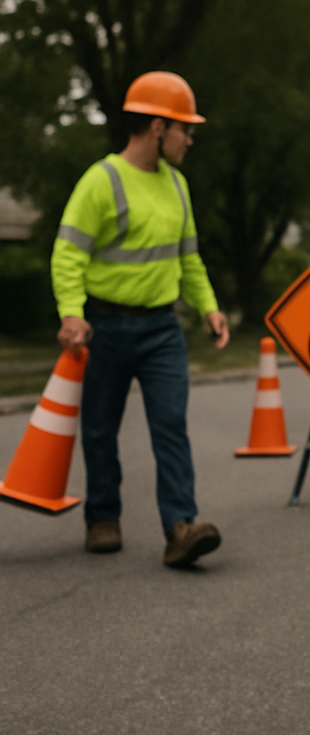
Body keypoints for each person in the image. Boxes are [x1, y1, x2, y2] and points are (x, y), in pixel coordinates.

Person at [51, 71, 229, 568]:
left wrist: (209, 307)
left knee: (170, 423)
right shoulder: (100, 181)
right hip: (105, 328)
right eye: (184, 130)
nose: (189, 140)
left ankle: (181, 528)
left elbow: (188, 259)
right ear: (157, 127)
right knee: (101, 428)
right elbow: (68, 255)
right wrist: (72, 313)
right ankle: (103, 519)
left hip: (161, 330)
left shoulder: (178, 186)